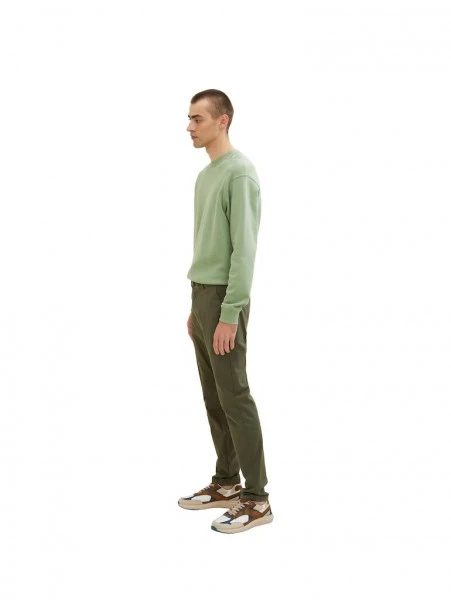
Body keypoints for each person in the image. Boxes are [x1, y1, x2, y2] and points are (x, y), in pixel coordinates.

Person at [178, 89, 273, 534]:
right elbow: (208, 245)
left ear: (223, 120)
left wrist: (229, 312)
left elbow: (243, 251)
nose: (189, 127)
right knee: (214, 396)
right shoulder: (205, 176)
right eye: (189, 119)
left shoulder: (240, 173)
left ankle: (257, 499)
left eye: (197, 119)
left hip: (224, 298)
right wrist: (196, 307)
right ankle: (227, 481)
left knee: (235, 395)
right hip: (203, 296)